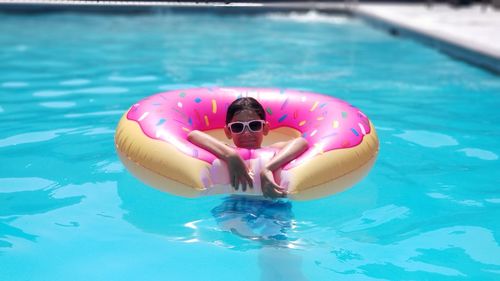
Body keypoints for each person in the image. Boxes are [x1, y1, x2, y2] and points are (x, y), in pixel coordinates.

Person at [187, 97, 308, 199]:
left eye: (254, 125)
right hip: (234, 207)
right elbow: (194, 135)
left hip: (274, 206)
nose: (246, 133)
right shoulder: (226, 150)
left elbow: (301, 142)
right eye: (238, 127)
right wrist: (231, 156)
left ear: (265, 128)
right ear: (228, 132)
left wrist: (267, 168)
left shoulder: (273, 149)